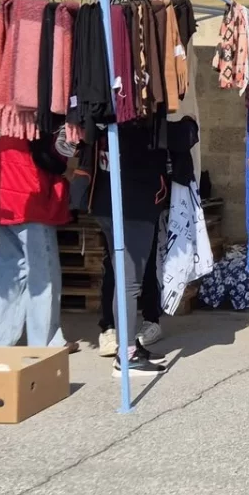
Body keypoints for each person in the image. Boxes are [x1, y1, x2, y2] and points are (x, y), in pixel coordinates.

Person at [0, 131, 71, 348]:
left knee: (7, 273)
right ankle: (45, 344)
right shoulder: (43, 109)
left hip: (0, 194)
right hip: (29, 195)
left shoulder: (4, 111)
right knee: (43, 276)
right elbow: (51, 158)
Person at [91, 121, 171, 376]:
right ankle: (126, 355)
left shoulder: (108, 118)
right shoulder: (137, 122)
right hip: (133, 204)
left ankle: (126, 347)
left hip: (108, 202)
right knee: (129, 283)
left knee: (122, 280)